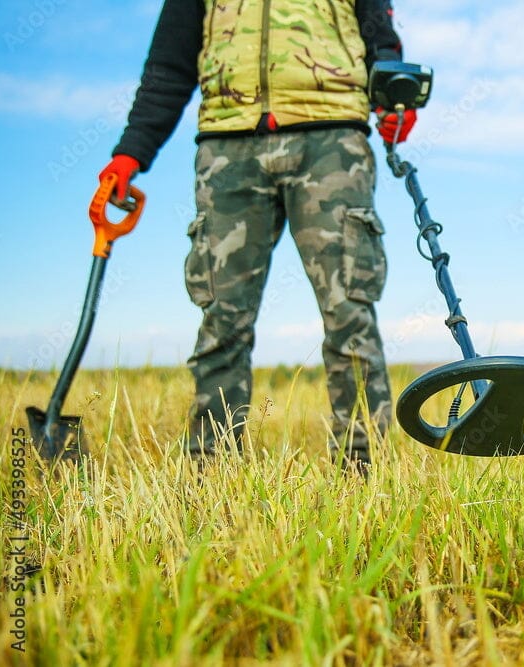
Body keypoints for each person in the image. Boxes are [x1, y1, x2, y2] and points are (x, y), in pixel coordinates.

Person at [99, 0, 417, 470]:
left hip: (331, 140)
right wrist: (131, 152)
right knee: (221, 319)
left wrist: (394, 99)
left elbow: (381, 42)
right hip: (227, 147)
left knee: (349, 310)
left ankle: (364, 469)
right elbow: (167, 68)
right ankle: (212, 469)